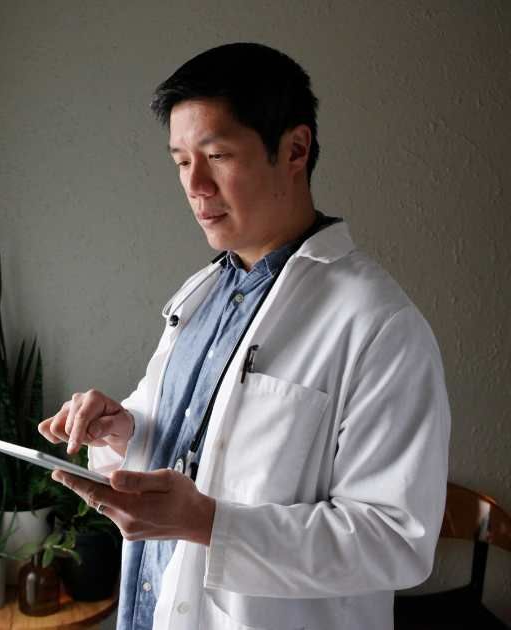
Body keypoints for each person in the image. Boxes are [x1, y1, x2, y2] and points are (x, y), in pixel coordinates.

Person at [39, 43, 449, 630]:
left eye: (217, 155)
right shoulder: (201, 294)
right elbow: (192, 445)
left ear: (295, 149)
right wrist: (122, 429)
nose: (195, 184)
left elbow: (396, 540)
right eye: (181, 161)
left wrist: (210, 524)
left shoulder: (380, 325)